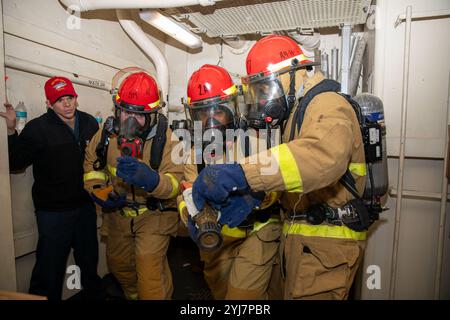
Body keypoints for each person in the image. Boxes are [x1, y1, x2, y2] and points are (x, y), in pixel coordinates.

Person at [192, 35, 368, 300]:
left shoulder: (327, 103)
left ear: (295, 73)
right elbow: (290, 176)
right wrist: (255, 197)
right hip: (302, 239)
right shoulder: (297, 115)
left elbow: (322, 157)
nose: (263, 99)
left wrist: (244, 175)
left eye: (266, 88)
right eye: (259, 91)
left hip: (326, 243)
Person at [178, 64, 281, 300]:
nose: (210, 121)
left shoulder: (258, 140)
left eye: (218, 112)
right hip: (218, 237)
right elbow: (186, 192)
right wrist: (191, 216)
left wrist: (253, 197)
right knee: (220, 291)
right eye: (203, 113)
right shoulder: (195, 153)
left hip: (258, 232)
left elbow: (279, 187)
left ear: (232, 110)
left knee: (241, 297)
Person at [0, 76, 103, 300]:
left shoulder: (89, 123)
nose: (66, 104)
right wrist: (10, 131)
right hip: (53, 213)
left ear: (76, 98)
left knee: (89, 263)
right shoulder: (37, 128)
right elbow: (16, 163)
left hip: (85, 206)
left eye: (70, 98)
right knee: (49, 272)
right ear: (48, 103)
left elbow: (99, 159)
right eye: (59, 100)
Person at [83, 71, 183, 300]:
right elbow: (92, 165)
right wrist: (98, 189)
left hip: (153, 214)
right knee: (120, 267)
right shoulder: (106, 134)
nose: (131, 120)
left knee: (150, 274)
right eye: (127, 111)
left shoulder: (168, 140)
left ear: (152, 115)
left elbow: (176, 183)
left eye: (139, 115)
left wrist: (154, 181)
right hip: (118, 213)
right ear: (118, 110)